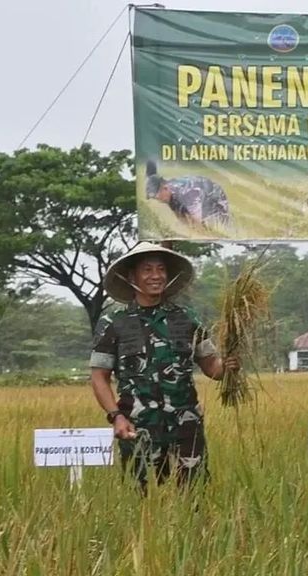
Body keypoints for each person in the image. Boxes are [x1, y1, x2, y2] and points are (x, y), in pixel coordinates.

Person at [89, 242, 238, 492]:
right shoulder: (114, 323)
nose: (155, 276)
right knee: (142, 499)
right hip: (138, 426)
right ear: (132, 277)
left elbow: (212, 368)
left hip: (186, 424)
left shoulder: (187, 318)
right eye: (147, 270)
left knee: (194, 496)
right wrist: (117, 416)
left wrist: (231, 366)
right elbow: (99, 377)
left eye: (160, 269)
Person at [145, 162, 231, 228]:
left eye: (157, 197)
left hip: (213, 194)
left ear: (165, 188)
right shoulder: (168, 193)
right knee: (186, 218)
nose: (158, 200)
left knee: (213, 225)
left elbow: (197, 224)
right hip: (198, 190)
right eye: (155, 198)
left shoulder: (187, 195)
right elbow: (178, 211)